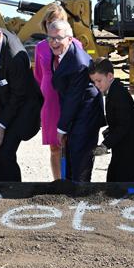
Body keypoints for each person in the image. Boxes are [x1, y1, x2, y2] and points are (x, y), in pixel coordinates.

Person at [0, 16, 43, 182]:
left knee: (5, 151)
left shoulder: (14, 58)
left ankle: (12, 191)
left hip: (25, 107)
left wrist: (1, 125)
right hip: (10, 101)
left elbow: (18, 96)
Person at [49, 19, 103, 182]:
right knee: (71, 156)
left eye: (58, 38)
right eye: (50, 38)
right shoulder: (60, 54)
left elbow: (73, 99)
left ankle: (81, 195)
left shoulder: (77, 63)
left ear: (70, 39)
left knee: (80, 159)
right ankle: (71, 190)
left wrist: (61, 129)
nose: (54, 42)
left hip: (86, 115)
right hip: (75, 112)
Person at [34, 3, 82, 180]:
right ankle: (57, 182)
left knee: (69, 143)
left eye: (57, 21)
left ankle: (72, 179)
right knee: (54, 146)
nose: (52, 25)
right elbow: (39, 75)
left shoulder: (75, 44)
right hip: (50, 101)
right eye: (49, 21)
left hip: (69, 98)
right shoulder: (40, 47)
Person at [88, 57, 134, 183]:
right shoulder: (113, 90)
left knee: (119, 181)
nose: (96, 85)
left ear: (110, 76)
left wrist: (106, 145)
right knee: (112, 178)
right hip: (121, 145)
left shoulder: (118, 94)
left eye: (99, 81)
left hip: (128, 148)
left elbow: (124, 125)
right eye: (94, 82)